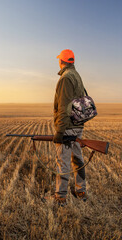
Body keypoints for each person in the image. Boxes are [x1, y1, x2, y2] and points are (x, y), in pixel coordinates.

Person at [52, 49, 86, 205]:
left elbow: (64, 107)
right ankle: (81, 191)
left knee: (63, 162)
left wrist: (60, 130)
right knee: (78, 160)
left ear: (62, 61)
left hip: (68, 127)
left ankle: (60, 197)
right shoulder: (76, 76)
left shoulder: (66, 78)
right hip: (77, 125)